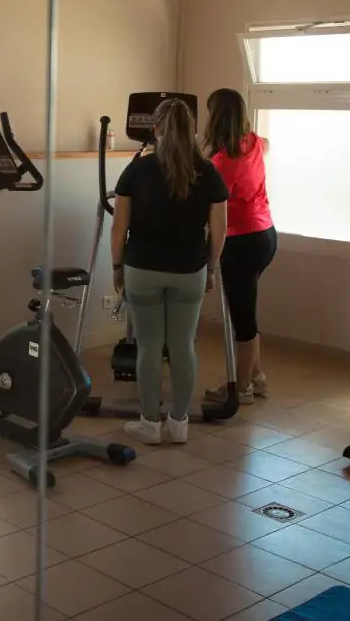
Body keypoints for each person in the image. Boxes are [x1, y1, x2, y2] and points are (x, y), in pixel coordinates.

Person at [111, 98, 228, 445]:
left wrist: (117, 268)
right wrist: (210, 268)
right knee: (182, 346)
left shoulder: (137, 170)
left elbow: (119, 228)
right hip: (188, 270)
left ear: (156, 129)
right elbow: (219, 231)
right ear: (191, 130)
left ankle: (150, 422)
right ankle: (179, 423)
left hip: (142, 268)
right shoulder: (208, 173)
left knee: (148, 347)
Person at [203, 87, 277, 406]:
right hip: (266, 235)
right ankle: (257, 376)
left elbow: (213, 208)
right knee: (247, 306)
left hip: (241, 240)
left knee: (242, 316)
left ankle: (242, 385)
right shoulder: (255, 144)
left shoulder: (222, 162)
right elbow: (268, 146)